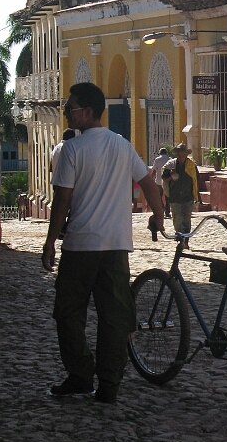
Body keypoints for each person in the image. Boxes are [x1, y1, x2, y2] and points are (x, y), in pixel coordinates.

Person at [44, 81, 164, 404]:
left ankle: (80, 374)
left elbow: (62, 201)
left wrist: (50, 242)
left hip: (80, 246)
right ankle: (109, 384)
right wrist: (159, 216)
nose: (67, 113)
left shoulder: (72, 150)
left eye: (70, 108)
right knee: (114, 317)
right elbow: (148, 183)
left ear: (88, 112)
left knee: (68, 312)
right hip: (115, 247)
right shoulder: (121, 145)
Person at [161, 142, 201, 244]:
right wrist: (171, 176)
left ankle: (186, 241)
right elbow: (164, 179)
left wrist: (197, 196)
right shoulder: (170, 165)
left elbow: (196, 180)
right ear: (176, 155)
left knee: (187, 220)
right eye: (179, 155)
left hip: (188, 197)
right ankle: (180, 238)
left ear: (186, 155)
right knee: (177, 219)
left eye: (183, 155)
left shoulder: (192, 166)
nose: (181, 157)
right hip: (174, 197)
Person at [151, 146, 171, 218]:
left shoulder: (157, 159)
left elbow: (154, 170)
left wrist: (151, 179)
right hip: (167, 180)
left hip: (158, 180)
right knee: (167, 197)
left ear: (160, 153)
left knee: (159, 196)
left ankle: (162, 208)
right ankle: (167, 211)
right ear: (166, 153)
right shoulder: (170, 159)